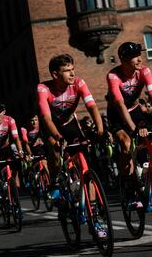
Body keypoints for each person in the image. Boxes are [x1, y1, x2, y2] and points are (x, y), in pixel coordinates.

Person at [35, 53, 105, 211]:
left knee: (84, 164)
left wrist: (99, 127)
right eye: (67, 70)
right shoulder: (43, 88)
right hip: (52, 126)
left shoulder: (79, 83)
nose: (72, 73)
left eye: (73, 69)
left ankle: (93, 210)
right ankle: (55, 182)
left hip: (69, 123)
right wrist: (58, 137)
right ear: (55, 74)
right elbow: (46, 118)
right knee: (54, 146)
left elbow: (92, 106)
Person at [105, 41, 152, 208]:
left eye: (140, 55)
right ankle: (129, 189)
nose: (140, 59)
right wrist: (133, 129)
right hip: (117, 114)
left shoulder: (144, 71)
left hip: (135, 110)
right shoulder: (113, 76)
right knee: (126, 143)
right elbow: (120, 104)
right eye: (134, 57)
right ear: (124, 60)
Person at [0, 103, 24, 202]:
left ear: (4, 111)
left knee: (17, 161)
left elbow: (16, 138)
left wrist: (20, 151)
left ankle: (16, 190)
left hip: (7, 147)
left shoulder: (10, 120)